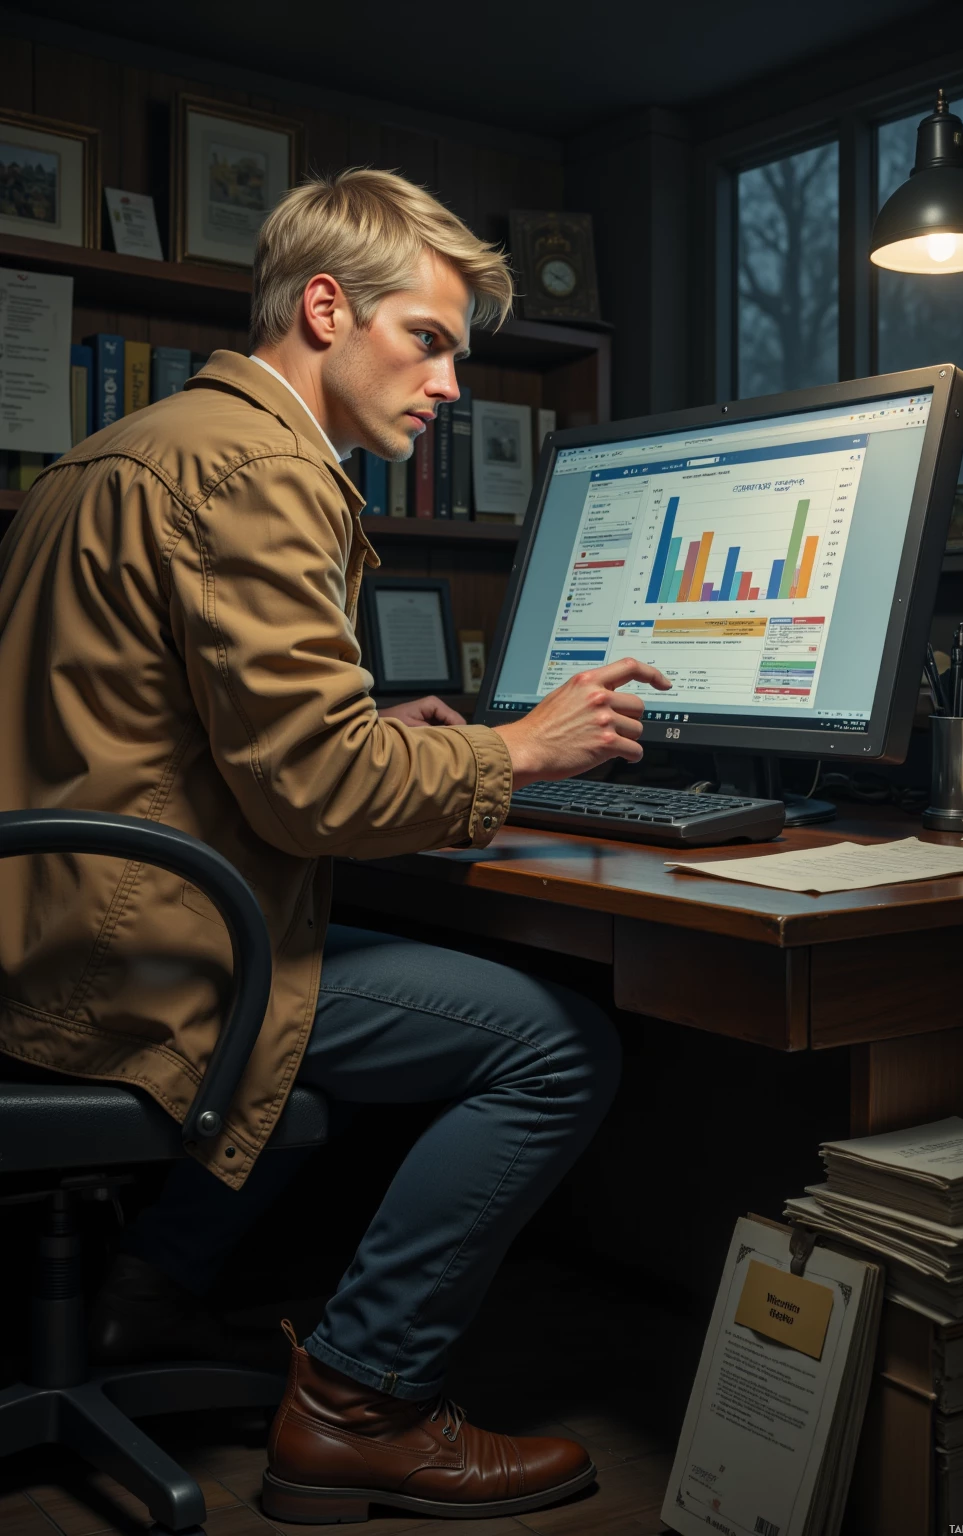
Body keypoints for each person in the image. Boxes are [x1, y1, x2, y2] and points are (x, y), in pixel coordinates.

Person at [0, 168, 670, 1524]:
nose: (448, 387)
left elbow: (155, 724)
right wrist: (516, 750)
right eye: (425, 339)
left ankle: (144, 1301)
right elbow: (317, 789)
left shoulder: (129, 447)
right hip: (140, 963)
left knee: (380, 967)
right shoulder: (259, 467)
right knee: (552, 1042)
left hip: (50, 932)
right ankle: (361, 1401)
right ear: (325, 308)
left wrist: (375, 718)